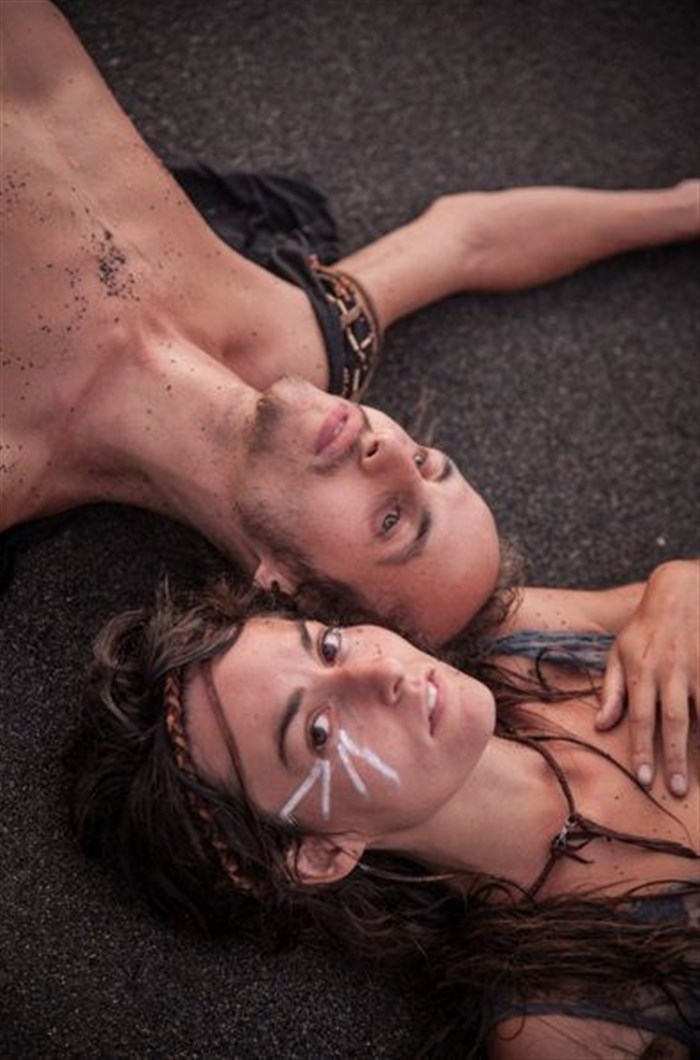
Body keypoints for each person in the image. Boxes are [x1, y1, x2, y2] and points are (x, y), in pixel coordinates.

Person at [1, 0, 698, 786]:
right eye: (427, 462)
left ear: (288, 586)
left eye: (390, 518)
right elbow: (469, 239)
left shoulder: (17, 461)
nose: (386, 448)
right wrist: (678, 208)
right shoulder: (308, 334)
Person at [69, 578, 699, 1058]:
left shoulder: (526, 640)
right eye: (318, 731)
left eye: (328, 645)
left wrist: (677, 584)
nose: (383, 671)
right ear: (322, 852)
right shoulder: (562, 1019)